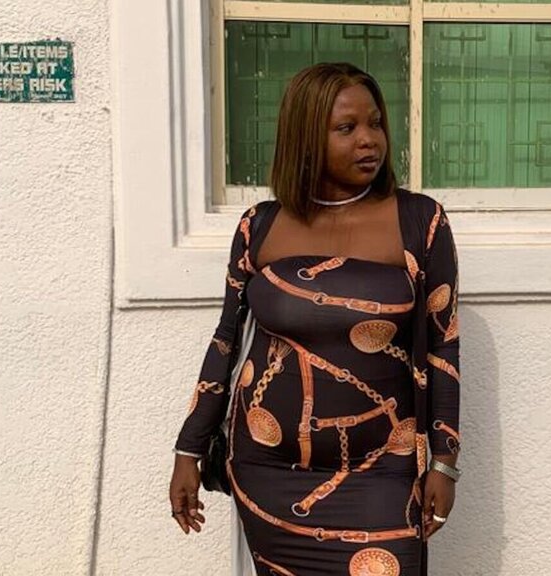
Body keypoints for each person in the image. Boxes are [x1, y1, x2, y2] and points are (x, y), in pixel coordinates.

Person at [168, 62, 461, 576]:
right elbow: (226, 341)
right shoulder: (260, 226)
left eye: (375, 123)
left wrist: (444, 461)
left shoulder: (420, 222)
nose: (369, 139)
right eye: (347, 128)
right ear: (305, 137)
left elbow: (443, 348)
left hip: (384, 471)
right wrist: (188, 449)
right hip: (267, 472)